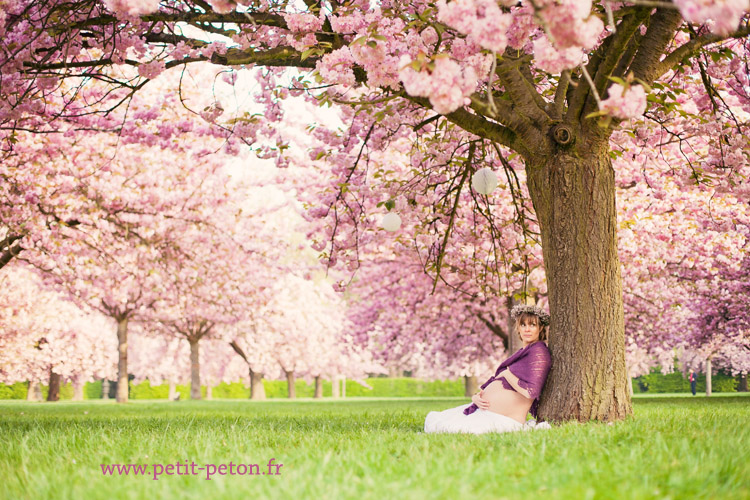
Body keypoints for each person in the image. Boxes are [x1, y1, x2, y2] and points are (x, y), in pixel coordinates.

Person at [424, 304, 552, 434]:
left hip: (505, 420)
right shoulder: (524, 352)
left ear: (540, 328)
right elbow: (499, 381)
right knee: (440, 422)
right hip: (489, 413)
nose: (527, 329)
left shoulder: (539, 352)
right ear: (518, 328)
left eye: (532, 325)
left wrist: (506, 373)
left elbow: (530, 391)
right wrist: (477, 397)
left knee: (447, 428)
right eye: (523, 325)